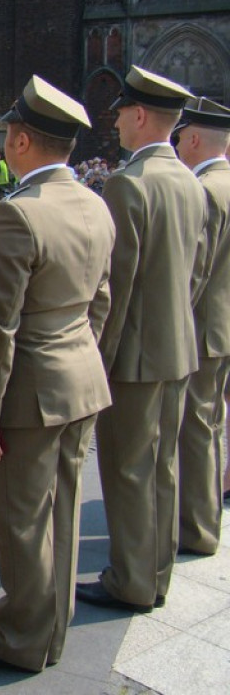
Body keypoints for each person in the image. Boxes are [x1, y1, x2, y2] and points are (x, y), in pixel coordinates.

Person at [0, 76, 115, 673]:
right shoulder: (95, 202)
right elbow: (101, 300)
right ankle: (54, 629)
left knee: (22, 523)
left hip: (31, 395)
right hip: (80, 381)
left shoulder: (16, 216)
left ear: (20, 141)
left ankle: (22, 640)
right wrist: (78, 357)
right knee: (64, 514)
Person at [77, 66, 204, 613]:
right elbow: (194, 271)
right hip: (178, 346)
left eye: (123, 112)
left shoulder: (130, 184)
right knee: (163, 468)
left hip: (134, 355)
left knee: (127, 471)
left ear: (142, 114)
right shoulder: (188, 181)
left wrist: (97, 360)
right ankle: (156, 573)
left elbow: (117, 286)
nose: (118, 121)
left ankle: (130, 580)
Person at [174, 97, 230, 556]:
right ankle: (205, 515)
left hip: (203, 326)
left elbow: (195, 270)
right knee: (209, 423)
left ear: (194, 139)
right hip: (224, 322)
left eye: (180, 138)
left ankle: (197, 527)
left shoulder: (207, 190)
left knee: (196, 427)